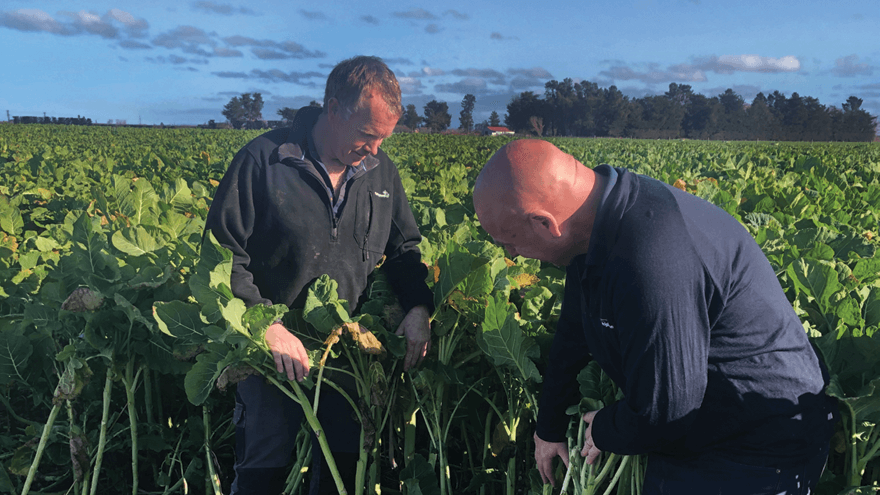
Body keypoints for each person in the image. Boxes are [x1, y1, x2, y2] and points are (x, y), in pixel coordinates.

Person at [472, 139, 838, 494]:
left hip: (753, 448)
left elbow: (666, 410)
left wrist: (605, 429)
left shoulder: (650, 256)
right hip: (699, 430)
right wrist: (548, 426)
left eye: (510, 241)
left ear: (545, 224)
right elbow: (574, 331)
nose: (513, 254)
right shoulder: (595, 223)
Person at [205, 56, 433, 494]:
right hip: (271, 353)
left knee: (343, 468)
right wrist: (265, 325)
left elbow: (404, 250)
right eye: (367, 135)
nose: (375, 149)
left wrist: (418, 306)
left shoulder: (381, 172)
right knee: (263, 467)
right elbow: (222, 254)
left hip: (347, 353)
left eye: (384, 138)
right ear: (333, 109)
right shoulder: (264, 161)